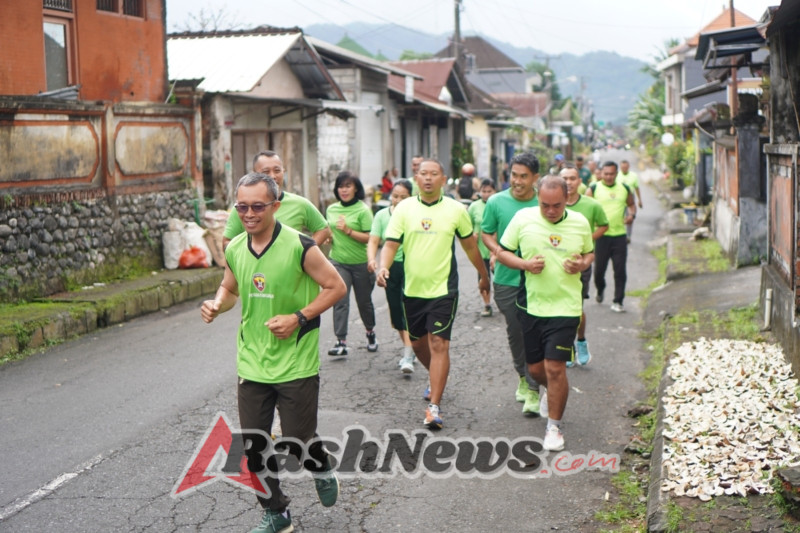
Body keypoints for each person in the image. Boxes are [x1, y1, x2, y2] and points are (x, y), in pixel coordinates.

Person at [200, 173, 346, 533]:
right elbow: (231, 288)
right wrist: (218, 304)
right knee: (254, 447)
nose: (249, 214)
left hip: (296, 361)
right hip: (252, 362)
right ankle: (276, 512)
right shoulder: (234, 248)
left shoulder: (300, 246)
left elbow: (335, 287)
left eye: (257, 206)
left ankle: (320, 465)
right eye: (242, 207)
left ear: (275, 206)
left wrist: (299, 317)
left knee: (297, 441)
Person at [377, 159, 490, 429]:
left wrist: (484, 275)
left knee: (439, 344)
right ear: (416, 178)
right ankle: (435, 376)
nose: (428, 178)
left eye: (434, 174)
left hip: (443, 290)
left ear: (443, 179)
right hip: (412, 289)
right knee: (418, 345)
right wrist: (383, 267)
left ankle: (434, 406)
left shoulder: (455, 210)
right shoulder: (404, 208)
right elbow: (391, 244)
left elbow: (470, 247)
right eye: (423, 174)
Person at [496, 174, 594, 451]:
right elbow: (502, 253)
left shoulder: (580, 222)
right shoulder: (523, 219)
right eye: (545, 205)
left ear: (567, 199)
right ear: (537, 198)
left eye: (557, 205)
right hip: (531, 305)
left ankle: (554, 427)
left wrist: (582, 265)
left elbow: (589, 253)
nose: (551, 211)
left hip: (565, 306)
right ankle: (552, 392)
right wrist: (525, 265)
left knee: (555, 367)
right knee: (535, 369)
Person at [481, 151, 542, 416]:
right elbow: (486, 233)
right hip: (506, 278)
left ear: (535, 178)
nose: (517, 181)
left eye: (523, 177)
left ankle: (533, 388)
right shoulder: (496, 202)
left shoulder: (545, 202)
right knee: (515, 330)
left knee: (534, 332)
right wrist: (497, 252)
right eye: (514, 175)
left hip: (539, 279)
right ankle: (522, 375)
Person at [223, 150, 331, 249]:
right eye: (266, 172)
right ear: (254, 174)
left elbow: (323, 229)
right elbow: (227, 241)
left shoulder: (300, 203)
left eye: (277, 170)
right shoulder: (244, 208)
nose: (273, 176)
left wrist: (304, 253)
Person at [326, 171, 378, 356]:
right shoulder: (332, 209)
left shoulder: (363, 210)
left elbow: (371, 238)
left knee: (364, 302)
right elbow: (329, 229)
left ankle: (370, 333)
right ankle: (341, 341)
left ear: (356, 188)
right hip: (339, 261)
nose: (344, 190)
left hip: (361, 263)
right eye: (341, 186)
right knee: (340, 300)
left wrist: (348, 231)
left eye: (348, 186)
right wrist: (329, 237)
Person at [562, 164, 608, 366]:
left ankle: (580, 341)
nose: (569, 183)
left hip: (581, 263)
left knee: (576, 306)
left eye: (572, 178)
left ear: (580, 181)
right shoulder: (553, 205)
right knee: (559, 309)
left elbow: (604, 224)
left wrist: (587, 240)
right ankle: (567, 346)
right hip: (556, 265)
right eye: (565, 179)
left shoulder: (591, 205)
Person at [367, 179, 415, 373]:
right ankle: (411, 350)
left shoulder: (415, 215)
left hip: (413, 267)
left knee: (410, 311)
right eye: (395, 196)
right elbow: (374, 240)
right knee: (396, 312)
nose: (398, 200)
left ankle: (408, 354)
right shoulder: (381, 215)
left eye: (404, 197)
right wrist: (372, 259)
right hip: (390, 268)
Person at [585, 161, 636, 313]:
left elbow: (631, 204)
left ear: (616, 173)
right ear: (601, 173)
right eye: (606, 174)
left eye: (611, 174)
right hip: (601, 237)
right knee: (599, 271)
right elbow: (585, 210)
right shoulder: (593, 189)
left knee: (620, 270)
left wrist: (631, 215)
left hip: (619, 235)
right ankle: (600, 289)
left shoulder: (624, 188)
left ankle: (618, 301)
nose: (608, 177)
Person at [468, 179, 496, 317]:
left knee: (501, 279)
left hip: (497, 250)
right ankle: (487, 304)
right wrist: (471, 234)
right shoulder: (474, 207)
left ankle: (506, 302)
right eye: (483, 191)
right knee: (483, 278)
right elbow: (468, 225)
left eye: (489, 191)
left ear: (495, 191)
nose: (486, 194)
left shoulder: (497, 204)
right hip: (480, 249)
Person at [619, 159, 643, 243]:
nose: (624, 169)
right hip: (620, 199)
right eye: (622, 167)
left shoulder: (633, 176)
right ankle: (621, 235)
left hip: (630, 198)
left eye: (625, 167)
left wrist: (640, 200)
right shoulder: (617, 176)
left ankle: (628, 236)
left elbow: (637, 188)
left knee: (630, 217)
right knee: (620, 217)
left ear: (628, 167)